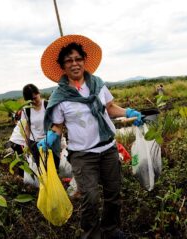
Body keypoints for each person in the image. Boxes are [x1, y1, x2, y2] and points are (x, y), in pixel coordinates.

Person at [38, 35, 142, 239]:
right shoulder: (60, 97)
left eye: (78, 59)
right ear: (63, 66)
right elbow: (58, 126)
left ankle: (111, 229)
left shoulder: (98, 85)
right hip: (83, 155)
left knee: (113, 193)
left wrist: (128, 112)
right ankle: (92, 234)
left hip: (108, 149)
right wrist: (51, 137)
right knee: (90, 198)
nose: (74, 63)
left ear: (84, 61)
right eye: (69, 60)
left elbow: (110, 107)